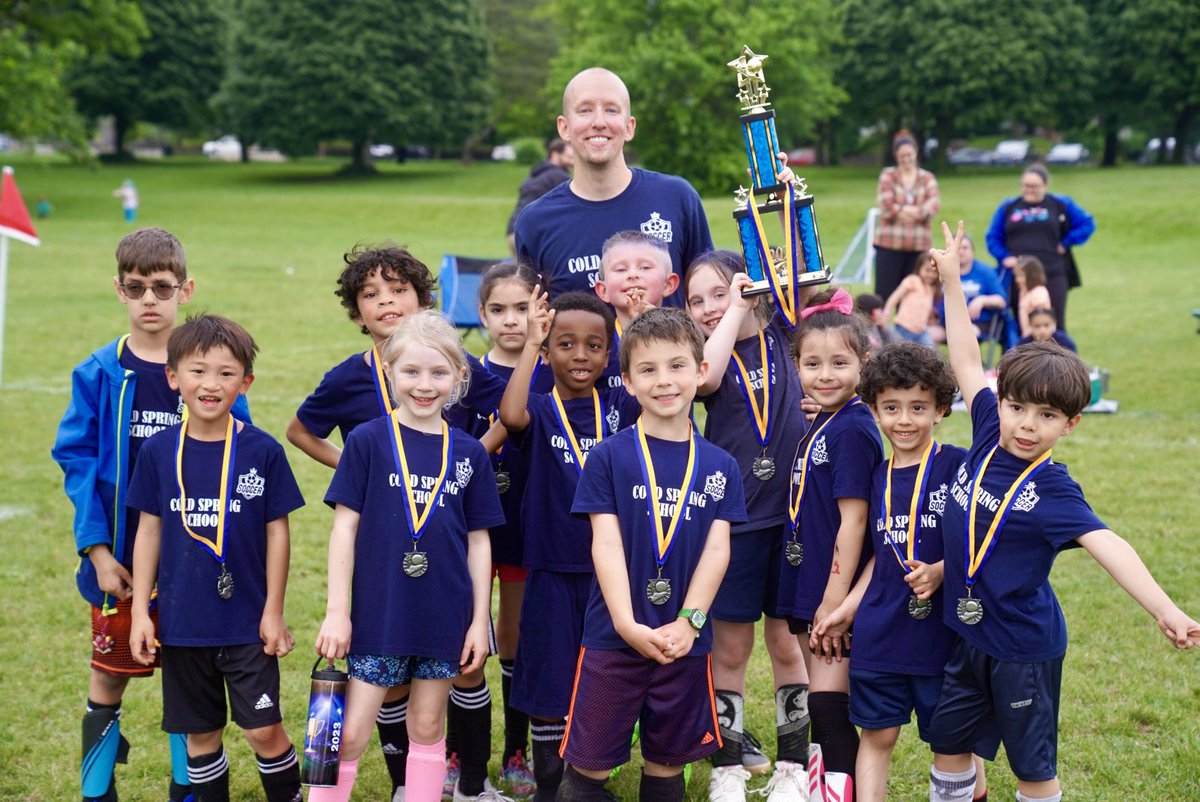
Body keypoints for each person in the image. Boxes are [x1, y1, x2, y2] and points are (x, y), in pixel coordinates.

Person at [926, 221, 1198, 802]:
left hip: (1024, 650)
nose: (1027, 424)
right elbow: (968, 360)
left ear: (1071, 424)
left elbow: (1108, 545)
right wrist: (952, 283)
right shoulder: (983, 433)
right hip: (966, 635)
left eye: (1047, 416)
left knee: (1032, 768)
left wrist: (1166, 609)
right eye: (1018, 407)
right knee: (947, 745)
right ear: (999, 402)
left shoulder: (1054, 490)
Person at [285, 244, 506, 801]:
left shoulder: (469, 454)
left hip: (445, 611)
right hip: (380, 612)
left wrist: (480, 621)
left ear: (459, 378)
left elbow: (479, 543)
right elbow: (344, 531)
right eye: (410, 371)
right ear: (391, 370)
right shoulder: (365, 441)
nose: (423, 384)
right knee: (350, 731)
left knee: (429, 727)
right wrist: (338, 612)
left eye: (438, 373)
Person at [52, 228, 249, 802]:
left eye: (162, 288)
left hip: (194, 561)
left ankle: (185, 791)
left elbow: (243, 453)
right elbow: (77, 461)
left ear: (185, 290)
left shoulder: (212, 369)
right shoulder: (100, 372)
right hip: (120, 562)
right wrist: (97, 549)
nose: (149, 300)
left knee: (187, 683)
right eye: (136, 288)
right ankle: (97, 790)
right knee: (110, 673)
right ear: (119, 290)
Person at [557, 307, 745, 802]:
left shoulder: (721, 466)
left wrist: (690, 622)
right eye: (648, 369)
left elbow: (717, 552)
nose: (664, 381)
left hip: (684, 642)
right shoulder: (609, 457)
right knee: (585, 776)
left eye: (677, 366)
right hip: (613, 639)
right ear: (627, 381)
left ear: (701, 371)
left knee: (666, 766)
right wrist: (623, 623)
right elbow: (606, 543)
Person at [127, 314, 304, 802]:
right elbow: (149, 531)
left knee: (263, 731)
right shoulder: (160, 452)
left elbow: (278, 533)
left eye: (227, 373)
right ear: (173, 377)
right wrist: (142, 611)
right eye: (198, 371)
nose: (211, 384)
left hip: (247, 622)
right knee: (200, 738)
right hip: (184, 624)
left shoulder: (262, 450)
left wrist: (273, 611)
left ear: (245, 382)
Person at [811, 343, 988, 802]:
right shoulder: (875, 474)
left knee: (954, 741)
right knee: (878, 736)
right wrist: (847, 609)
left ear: (941, 409)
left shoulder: (958, 464)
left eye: (918, 407)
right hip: (882, 633)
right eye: (891, 408)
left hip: (942, 638)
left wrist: (943, 571)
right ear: (873, 409)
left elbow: (984, 542)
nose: (904, 420)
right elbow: (879, 560)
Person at [498, 289, 641, 802]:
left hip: (616, 572)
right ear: (548, 351)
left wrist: (635, 330)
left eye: (594, 345)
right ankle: (549, 784)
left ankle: (584, 780)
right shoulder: (539, 407)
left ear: (611, 353)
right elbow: (509, 414)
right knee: (549, 679)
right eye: (566, 344)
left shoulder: (623, 406)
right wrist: (529, 346)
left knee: (605, 673)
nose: (580, 355)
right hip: (552, 567)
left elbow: (659, 386)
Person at [684, 251, 814, 802]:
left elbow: (796, 251)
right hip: (735, 525)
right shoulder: (702, 355)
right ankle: (727, 768)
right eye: (697, 301)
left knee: (789, 649)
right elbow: (706, 376)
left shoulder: (788, 334)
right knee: (730, 653)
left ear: (749, 285)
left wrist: (783, 196)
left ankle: (791, 767)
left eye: (720, 292)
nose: (710, 308)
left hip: (792, 523)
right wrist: (731, 313)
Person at [784, 289, 885, 790]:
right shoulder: (825, 421)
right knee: (819, 694)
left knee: (827, 700)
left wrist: (835, 596)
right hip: (810, 578)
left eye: (840, 363)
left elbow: (855, 521)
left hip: (834, 587)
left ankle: (837, 788)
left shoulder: (852, 430)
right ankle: (824, 784)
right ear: (796, 365)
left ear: (864, 364)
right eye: (812, 363)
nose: (825, 375)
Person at [464, 261, 556, 796]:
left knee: (516, 634)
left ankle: (516, 752)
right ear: (481, 315)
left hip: (527, 518)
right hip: (471, 524)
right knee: (465, 634)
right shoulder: (461, 372)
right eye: (498, 310)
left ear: (541, 312)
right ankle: (459, 751)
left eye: (522, 308)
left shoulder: (552, 369)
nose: (511, 320)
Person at [513, 67, 713, 306]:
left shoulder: (677, 198)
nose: (599, 122)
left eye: (611, 110)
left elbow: (709, 300)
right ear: (564, 127)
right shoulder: (536, 222)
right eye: (585, 110)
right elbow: (534, 325)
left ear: (629, 127)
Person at [985, 164, 1095, 332]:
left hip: (1052, 271)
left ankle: (1057, 357)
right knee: (1022, 322)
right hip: (1018, 276)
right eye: (1025, 185)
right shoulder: (1008, 207)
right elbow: (992, 236)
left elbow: (1087, 224)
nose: (1029, 190)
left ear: (1045, 185)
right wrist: (1004, 257)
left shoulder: (1060, 204)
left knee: (1053, 321)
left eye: (1034, 186)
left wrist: (1066, 243)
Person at [594, 230, 680, 390]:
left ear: (668, 284)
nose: (632, 275)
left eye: (645, 267)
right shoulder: (595, 344)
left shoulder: (682, 336)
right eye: (620, 270)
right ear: (603, 290)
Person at [872, 131, 940, 301]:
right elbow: (886, 206)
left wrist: (903, 210)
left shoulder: (927, 177)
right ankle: (880, 327)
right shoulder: (888, 175)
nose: (906, 159)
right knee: (884, 294)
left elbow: (933, 206)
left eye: (909, 154)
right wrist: (917, 212)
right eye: (902, 155)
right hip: (889, 245)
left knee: (913, 295)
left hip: (918, 247)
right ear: (896, 156)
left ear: (916, 152)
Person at [934, 235, 1008, 346]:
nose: (962, 252)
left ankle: (963, 363)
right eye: (958, 248)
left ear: (972, 251)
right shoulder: (943, 270)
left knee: (963, 334)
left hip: (978, 324)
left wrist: (982, 300)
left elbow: (1001, 301)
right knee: (921, 334)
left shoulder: (985, 272)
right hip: (946, 323)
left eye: (965, 248)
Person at [506, 140, 574, 254]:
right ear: (555, 154)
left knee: (524, 271)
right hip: (532, 235)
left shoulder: (536, 174)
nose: (574, 160)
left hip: (513, 233)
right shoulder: (558, 176)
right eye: (569, 156)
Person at [883, 252, 940, 347]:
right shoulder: (913, 280)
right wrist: (885, 314)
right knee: (905, 354)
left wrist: (931, 317)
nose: (931, 275)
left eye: (934, 272)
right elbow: (895, 297)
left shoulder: (932, 288)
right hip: (904, 328)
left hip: (921, 330)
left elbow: (926, 306)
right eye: (927, 270)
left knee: (930, 352)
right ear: (919, 268)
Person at [1012, 256, 1052, 339]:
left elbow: (1041, 318)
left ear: (1032, 276)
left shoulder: (1038, 292)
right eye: (1016, 276)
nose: (1017, 280)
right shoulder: (1025, 292)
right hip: (1028, 335)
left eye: (1021, 276)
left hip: (1038, 337)